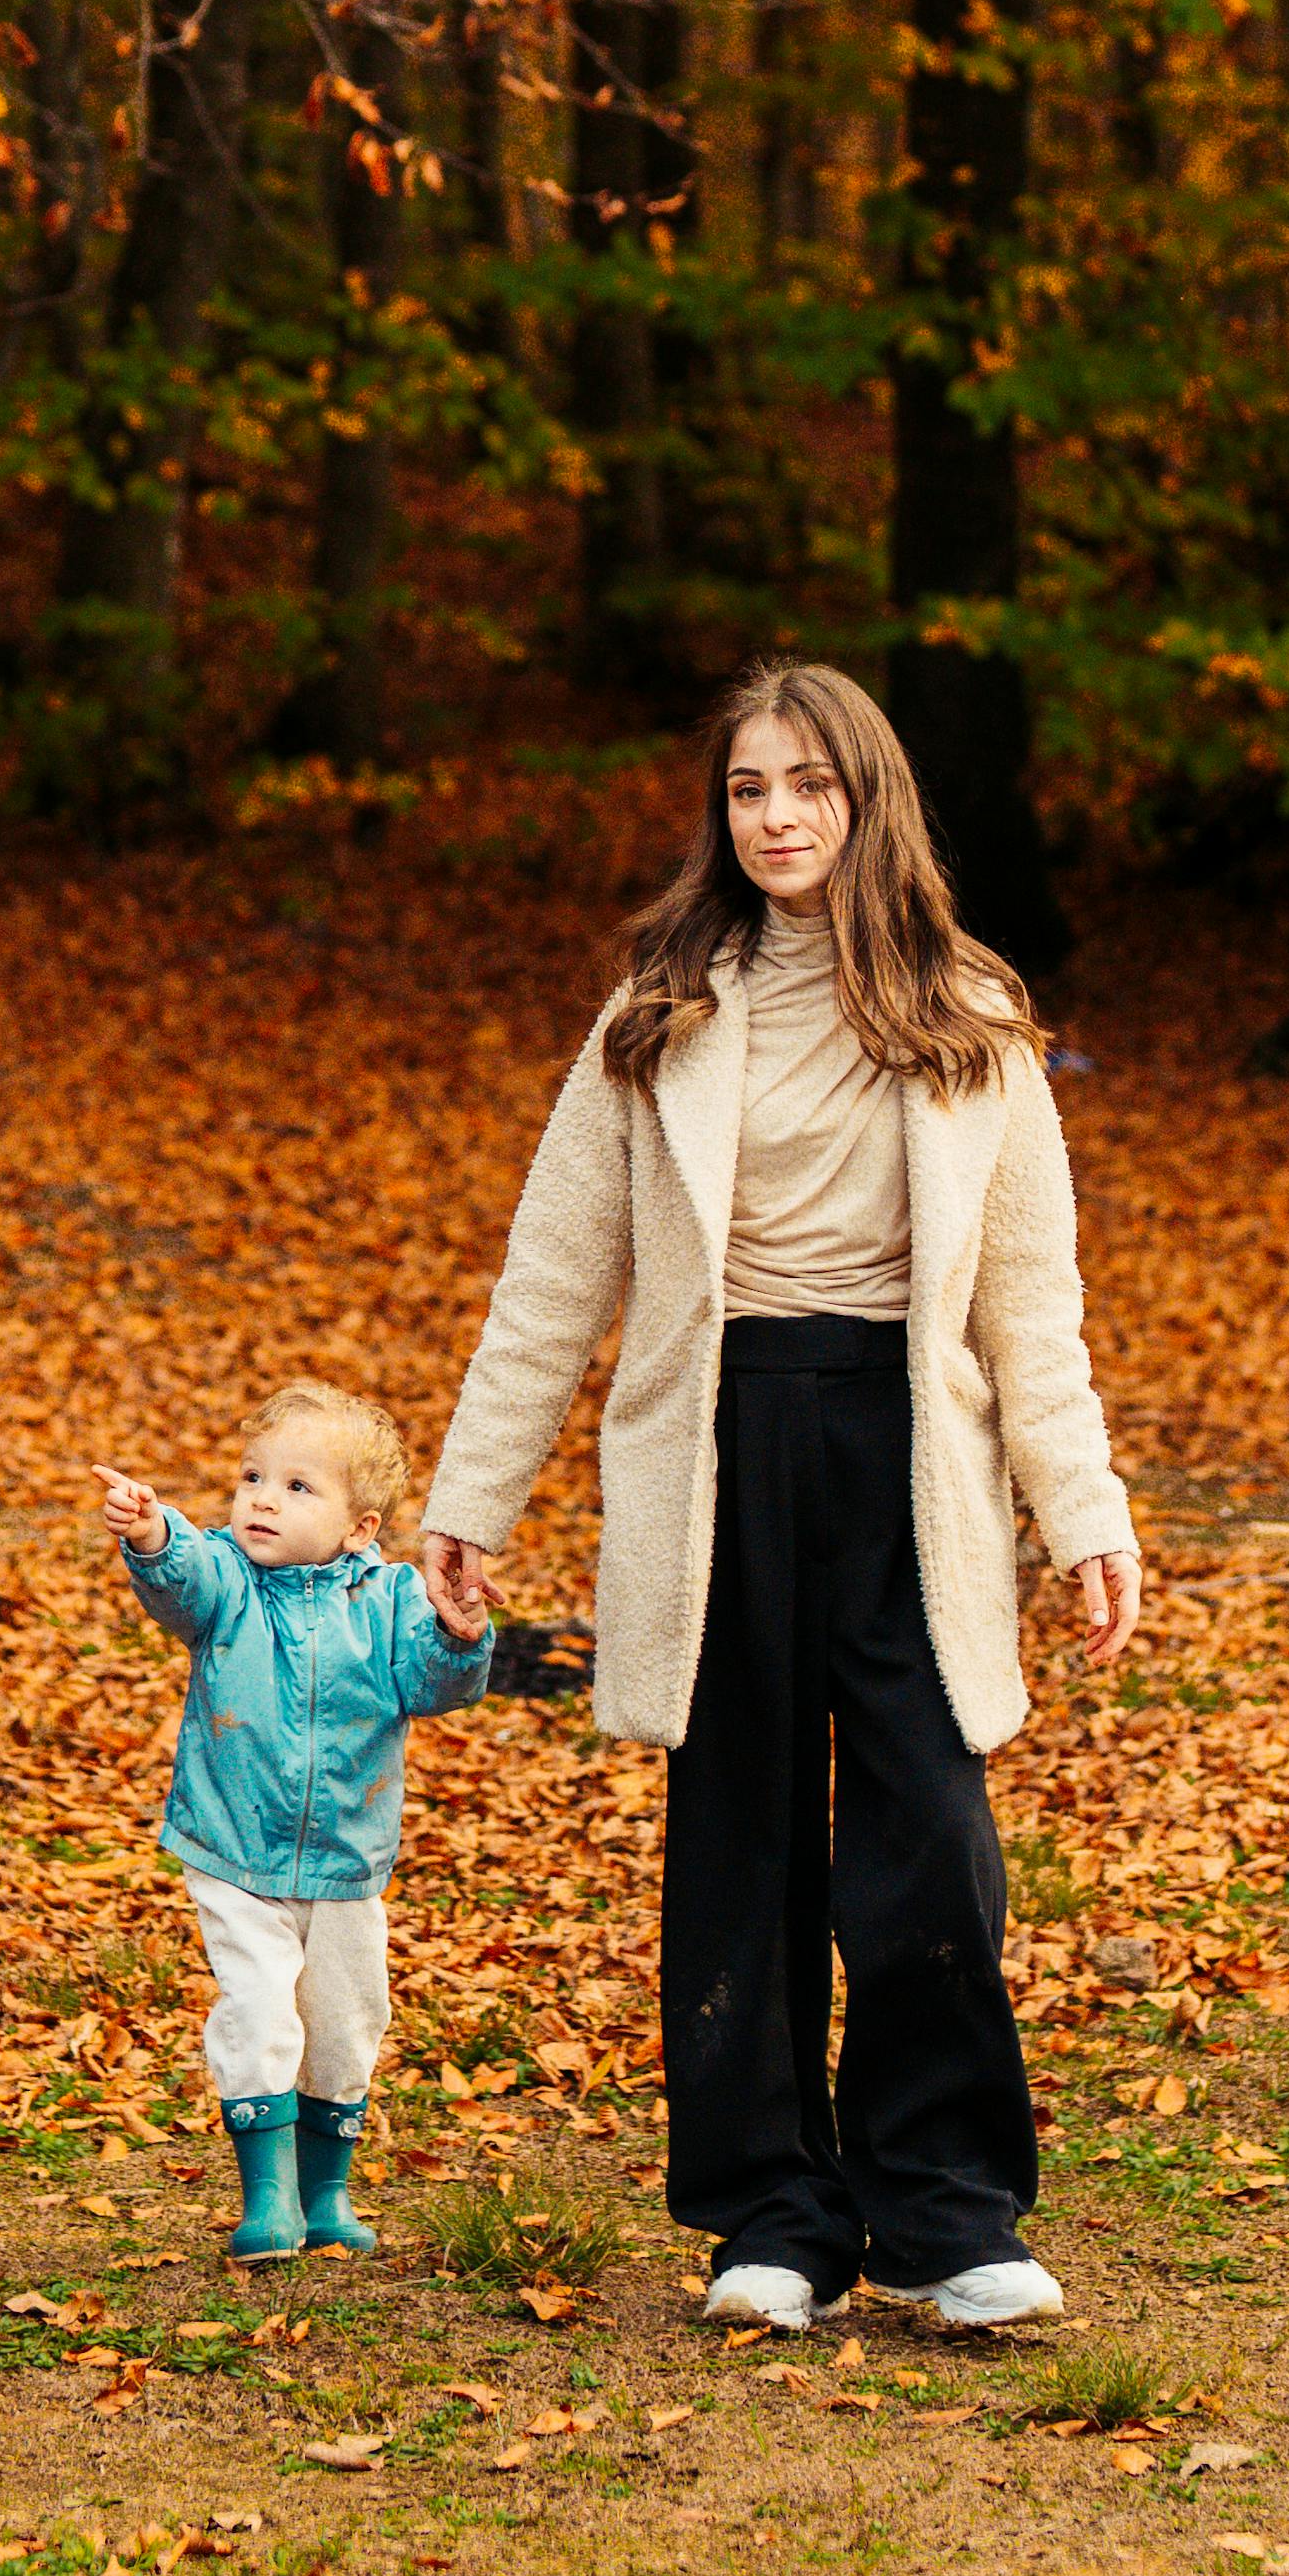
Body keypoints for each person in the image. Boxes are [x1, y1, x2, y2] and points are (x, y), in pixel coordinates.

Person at [420, 655, 1142, 2340]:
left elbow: (1030, 1306)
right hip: (718, 1448)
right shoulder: (657, 1012)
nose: (779, 814)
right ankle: (771, 2213)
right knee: (738, 1838)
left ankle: (950, 2212)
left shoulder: (970, 1014)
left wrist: (1084, 1509)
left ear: (867, 798)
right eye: (750, 788)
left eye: (810, 785)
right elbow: (553, 1277)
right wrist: (476, 1493)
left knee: (929, 1834)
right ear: (720, 810)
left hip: (906, 1453)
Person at [105, 1382, 499, 2263]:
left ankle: (325, 2194)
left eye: (296, 1487)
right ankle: (267, 2200)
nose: (261, 1499)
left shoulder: (391, 1598)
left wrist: (460, 1632)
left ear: (361, 1527)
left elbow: (432, 1688)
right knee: (257, 2011)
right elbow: (182, 1579)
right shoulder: (227, 1580)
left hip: (347, 1856)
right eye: (252, 1477)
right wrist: (149, 1534)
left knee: (346, 2022)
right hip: (234, 1847)